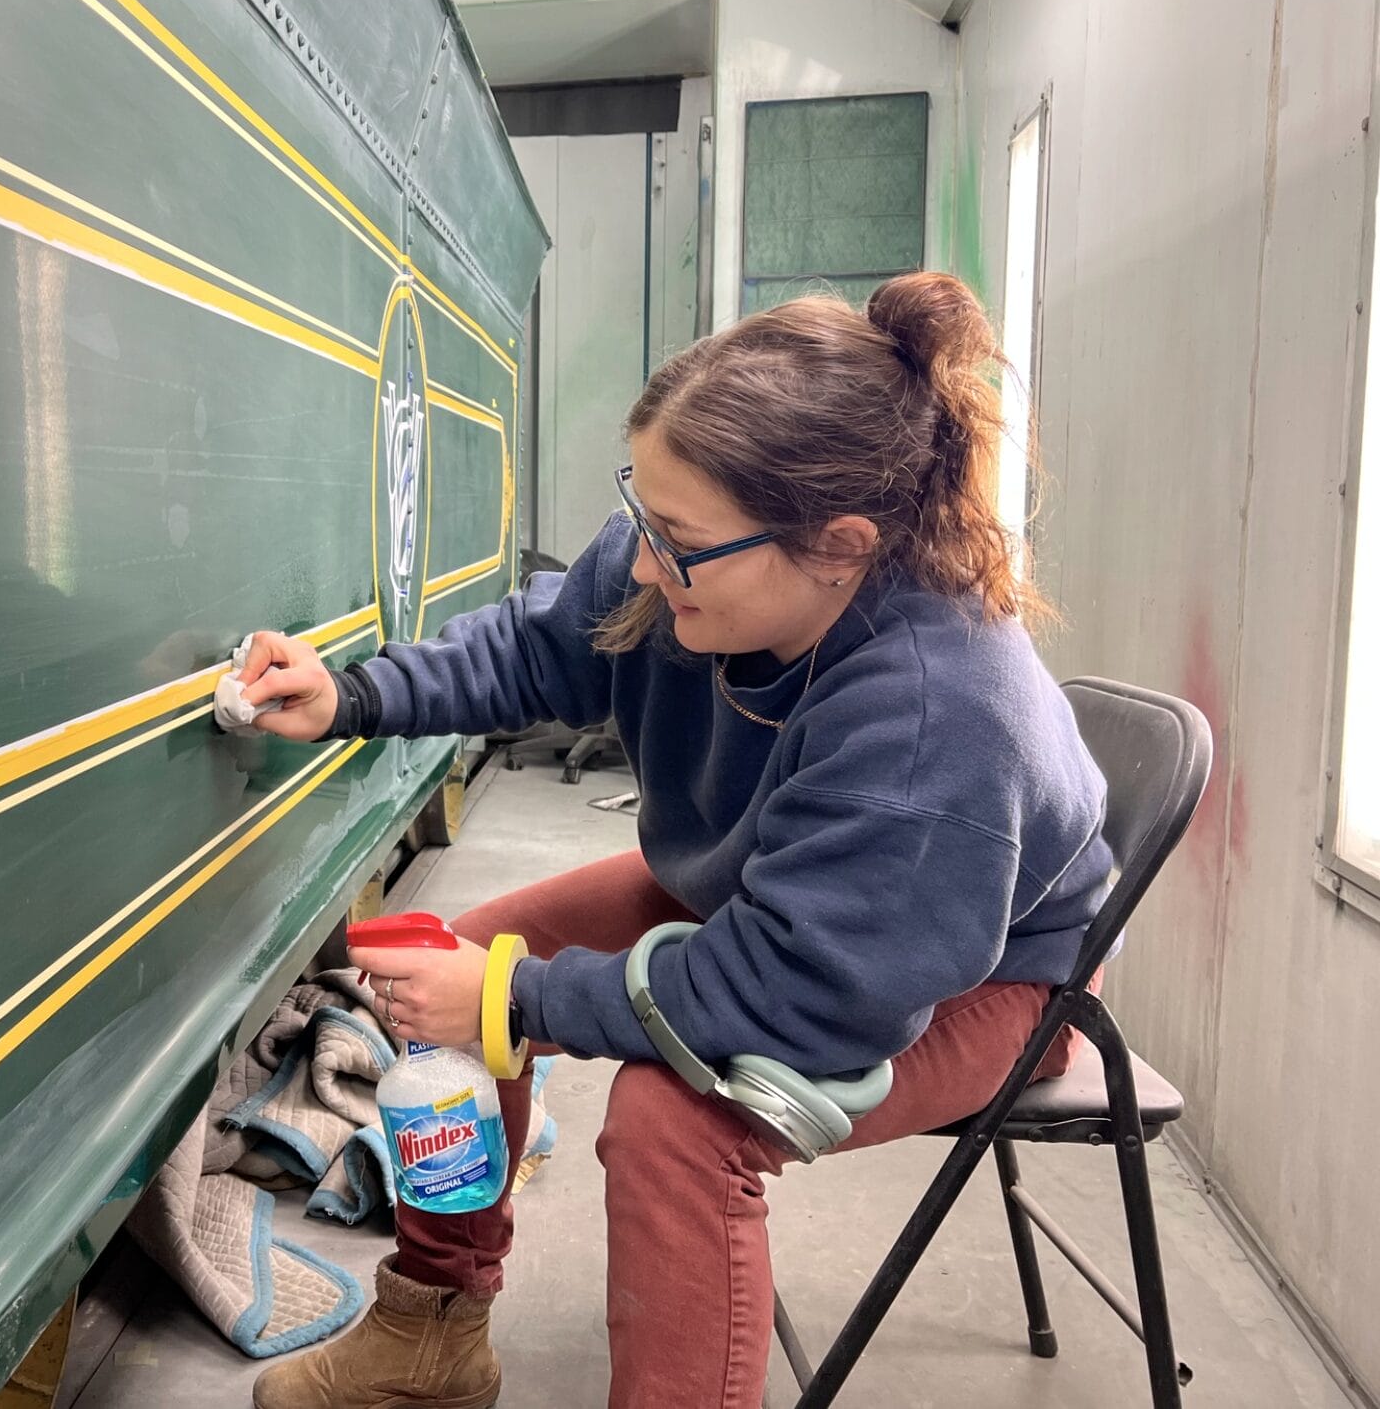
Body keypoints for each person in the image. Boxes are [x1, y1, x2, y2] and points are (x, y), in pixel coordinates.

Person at [232, 273, 1113, 1409]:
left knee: (673, 1123)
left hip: (985, 973)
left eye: (674, 540)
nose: (641, 562)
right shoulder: (687, 553)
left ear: (837, 545)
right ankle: (433, 1330)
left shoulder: (934, 717)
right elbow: (538, 646)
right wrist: (352, 693)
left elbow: (797, 995)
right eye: (637, 517)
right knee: (440, 971)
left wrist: (514, 1001)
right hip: (786, 895)